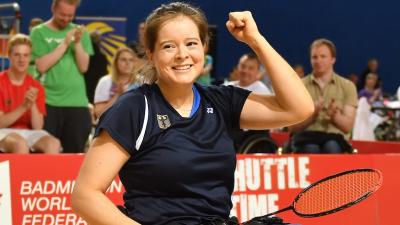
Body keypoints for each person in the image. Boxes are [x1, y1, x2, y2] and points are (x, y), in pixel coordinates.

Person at [71, 2, 314, 225]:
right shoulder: (135, 108)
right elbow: (85, 196)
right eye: (168, 46)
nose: (182, 54)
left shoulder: (221, 101)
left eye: (191, 43)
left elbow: (298, 108)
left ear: (204, 47)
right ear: (151, 53)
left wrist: (256, 41)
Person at [30, 0, 94, 153]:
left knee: (75, 153)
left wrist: (77, 43)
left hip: (77, 103)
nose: (66, 19)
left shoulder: (81, 32)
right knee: (46, 153)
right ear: (53, 9)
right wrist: (65, 44)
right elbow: (41, 66)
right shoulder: (38, 32)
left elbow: (83, 67)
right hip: (48, 102)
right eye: (62, 15)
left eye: (70, 15)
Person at [288, 38, 358, 154]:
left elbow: (347, 127)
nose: (318, 60)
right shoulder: (299, 86)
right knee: (311, 148)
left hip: (335, 138)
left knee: (331, 147)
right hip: (305, 138)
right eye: (314, 57)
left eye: (323, 56)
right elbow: (292, 128)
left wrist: (335, 117)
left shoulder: (348, 86)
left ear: (333, 59)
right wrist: (312, 115)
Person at [0, 34, 60, 154]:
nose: (22, 60)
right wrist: (23, 107)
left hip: (27, 132)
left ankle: (46, 173)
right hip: (4, 131)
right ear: (9, 56)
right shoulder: (1, 82)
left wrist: (32, 104)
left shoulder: (36, 86)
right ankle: (22, 173)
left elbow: (38, 127)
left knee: (53, 143)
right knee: (20, 144)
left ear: (29, 58)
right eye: (17, 55)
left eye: (25, 55)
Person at [226, 52, 275, 153]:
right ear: (238, 68)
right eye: (243, 66)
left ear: (257, 72)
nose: (245, 71)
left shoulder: (263, 91)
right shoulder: (226, 88)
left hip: (254, 137)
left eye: (250, 68)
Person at [94, 46, 141, 118]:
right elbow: (99, 114)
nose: (127, 63)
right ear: (116, 62)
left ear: (135, 63)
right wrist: (118, 95)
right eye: (123, 60)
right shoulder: (105, 81)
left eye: (131, 60)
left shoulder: (142, 81)